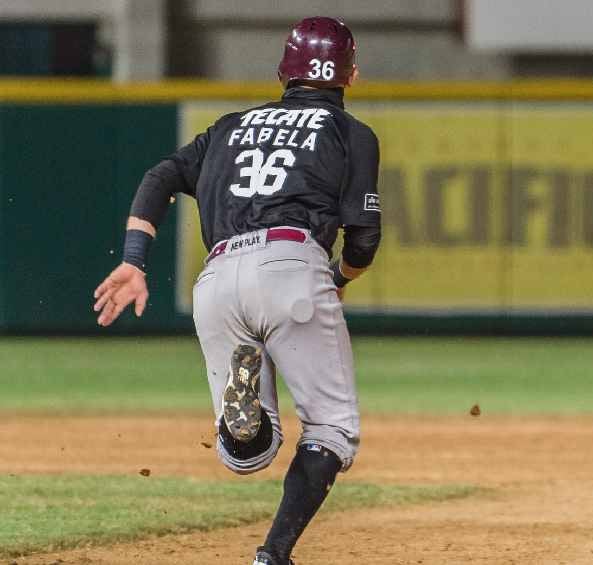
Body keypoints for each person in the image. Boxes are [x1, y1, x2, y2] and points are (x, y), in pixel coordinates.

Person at [91, 17, 381, 565]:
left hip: (218, 279)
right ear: (351, 72)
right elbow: (365, 237)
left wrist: (134, 262)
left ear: (282, 71)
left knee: (247, 456)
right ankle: (272, 556)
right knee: (332, 430)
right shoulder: (351, 133)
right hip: (293, 264)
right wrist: (341, 277)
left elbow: (159, 177)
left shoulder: (229, 127)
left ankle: (241, 411)